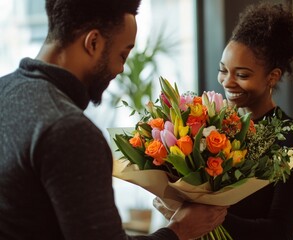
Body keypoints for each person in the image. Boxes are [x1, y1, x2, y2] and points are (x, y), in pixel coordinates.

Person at [0, 0, 227, 239]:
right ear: (93, 42)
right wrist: (180, 229)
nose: (121, 69)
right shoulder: (68, 130)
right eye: (123, 54)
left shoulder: (4, 90)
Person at [217, 2, 293, 239]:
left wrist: (209, 218)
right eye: (224, 70)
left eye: (242, 75)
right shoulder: (217, 128)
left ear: (272, 77)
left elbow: (280, 232)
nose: (227, 82)